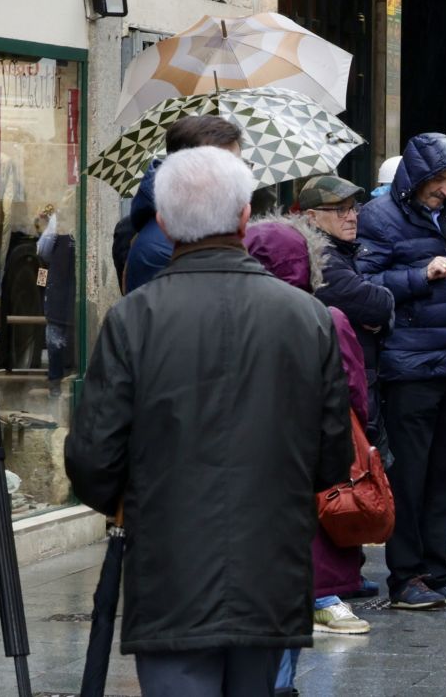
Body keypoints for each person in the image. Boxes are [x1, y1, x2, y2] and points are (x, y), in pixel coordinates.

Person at [66, 148, 351, 694]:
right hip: (270, 561)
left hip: (169, 566)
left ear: (166, 223)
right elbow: (331, 454)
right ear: (246, 217)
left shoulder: (133, 318)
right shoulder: (307, 316)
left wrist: (136, 497)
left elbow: (92, 457)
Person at [242, 219, 376, 697]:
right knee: (295, 578)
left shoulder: (229, 318)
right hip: (304, 476)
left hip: (242, 479)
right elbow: (352, 397)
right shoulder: (326, 319)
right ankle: (280, 684)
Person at [358, 133, 446, 611]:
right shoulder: (378, 219)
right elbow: (364, 284)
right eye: (439, 180)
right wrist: (419, 275)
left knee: (441, 477)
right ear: (416, 177)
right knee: (408, 478)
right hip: (408, 367)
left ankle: (437, 571)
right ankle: (405, 576)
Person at [299, 175, 395, 454]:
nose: (352, 217)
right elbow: (378, 304)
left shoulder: (342, 252)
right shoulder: (323, 259)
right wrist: (381, 311)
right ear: (312, 217)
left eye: (354, 208)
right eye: (340, 209)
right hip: (345, 387)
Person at [120, 114, 245, 293]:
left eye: (240, 165)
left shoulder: (210, 226)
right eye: (228, 167)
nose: (239, 176)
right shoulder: (157, 251)